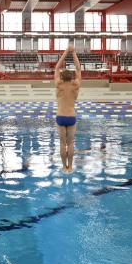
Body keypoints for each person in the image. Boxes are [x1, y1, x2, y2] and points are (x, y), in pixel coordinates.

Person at [55, 44, 81, 173]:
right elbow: (78, 69)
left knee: (62, 144)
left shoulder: (58, 84)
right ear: (72, 77)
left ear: (61, 77)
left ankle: (63, 166)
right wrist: (73, 52)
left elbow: (57, 67)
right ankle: (70, 167)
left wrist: (66, 51)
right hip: (71, 117)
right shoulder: (75, 85)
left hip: (60, 117)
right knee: (70, 144)